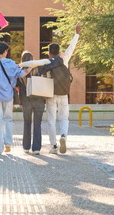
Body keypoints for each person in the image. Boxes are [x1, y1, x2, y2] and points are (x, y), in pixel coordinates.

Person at [39, 24, 82, 154]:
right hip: (63, 93)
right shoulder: (64, 59)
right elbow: (71, 48)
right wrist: (77, 34)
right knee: (64, 118)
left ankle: (53, 146)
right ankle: (63, 135)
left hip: (50, 93)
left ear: (49, 52)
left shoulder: (47, 62)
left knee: (51, 120)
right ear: (58, 52)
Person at [17, 51, 46, 155]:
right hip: (39, 99)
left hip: (26, 100)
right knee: (37, 124)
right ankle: (36, 148)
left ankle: (26, 147)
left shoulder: (19, 71)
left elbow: (17, 86)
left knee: (27, 123)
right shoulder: (39, 68)